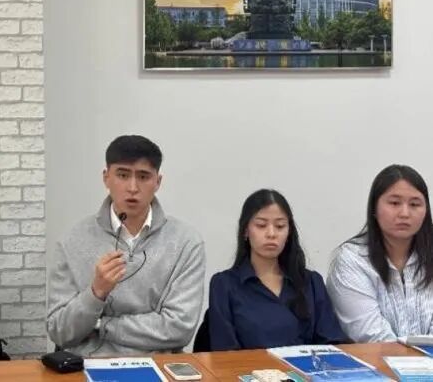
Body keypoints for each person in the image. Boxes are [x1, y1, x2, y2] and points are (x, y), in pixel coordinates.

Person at [47, 135, 206, 356]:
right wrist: (95, 293)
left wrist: (101, 325)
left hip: (157, 366)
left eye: (143, 176)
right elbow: (59, 331)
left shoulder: (186, 242)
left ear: (157, 182)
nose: (132, 187)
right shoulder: (73, 240)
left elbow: (179, 328)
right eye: (122, 175)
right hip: (87, 364)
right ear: (106, 178)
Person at [207, 189, 346, 351]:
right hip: (248, 367)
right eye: (261, 225)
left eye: (280, 226)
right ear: (245, 230)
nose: (271, 234)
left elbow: (331, 343)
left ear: (289, 232)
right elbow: (225, 352)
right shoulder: (224, 285)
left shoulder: (311, 283)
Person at [327, 164, 433, 341]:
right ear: (374, 209)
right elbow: (370, 334)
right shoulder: (353, 259)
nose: (405, 213)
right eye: (394, 203)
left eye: (415, 204)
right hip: (376, 357)